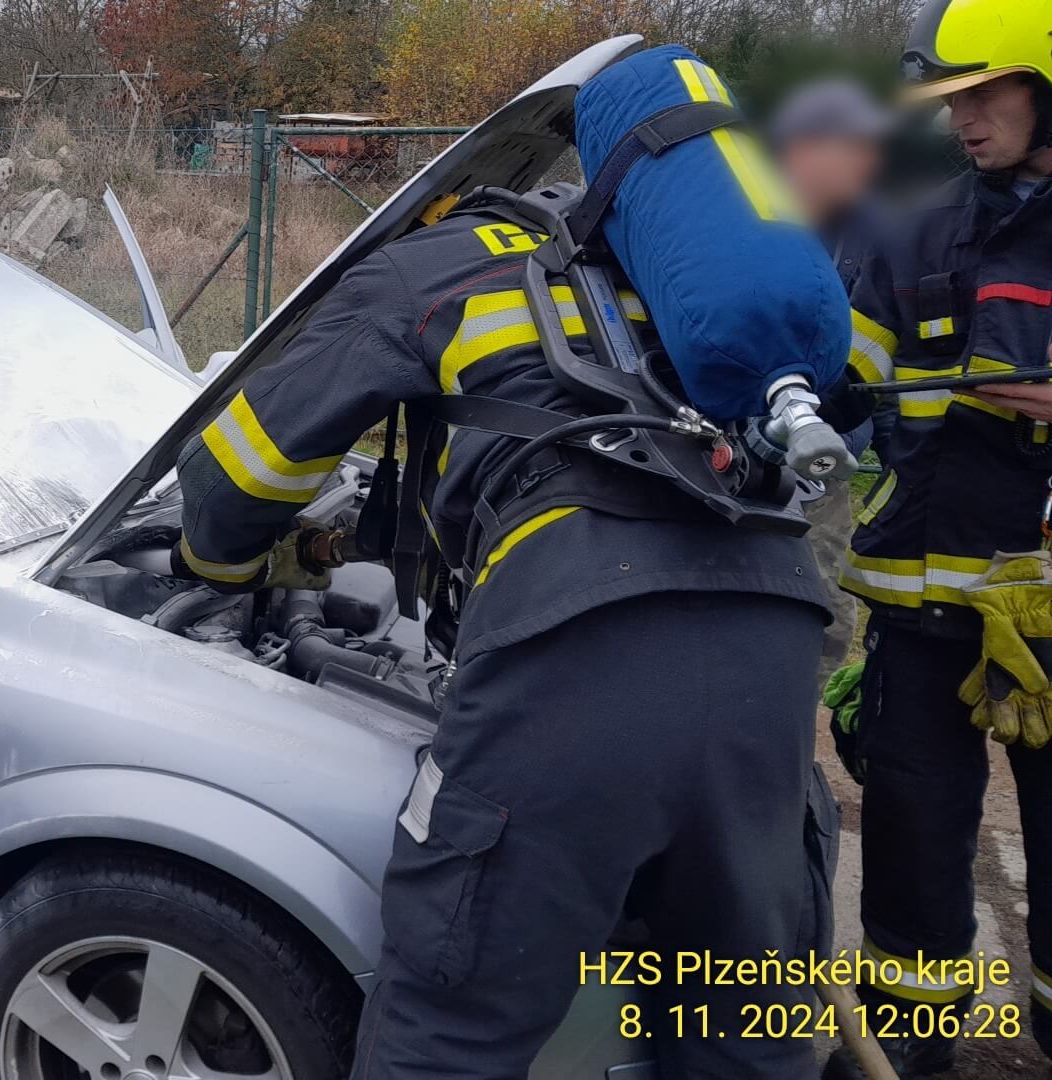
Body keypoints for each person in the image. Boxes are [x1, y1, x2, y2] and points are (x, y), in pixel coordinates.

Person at [169, 57, 840, 1078]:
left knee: (453, 1024)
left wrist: (211, 571)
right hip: (775, 644)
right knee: (739, 1027)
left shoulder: (438, 264)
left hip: (573, 646)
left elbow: (245, 469)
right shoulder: (704, 287)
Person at [826, 0, 1052, 1075]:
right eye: (951, 99)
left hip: (1046, 615)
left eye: (984, 92)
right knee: (911, 846)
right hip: (920, 609)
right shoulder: (912, 230)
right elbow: (836, 382)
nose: (961, 118)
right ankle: (906, 1046)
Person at [770, 79, 895, 685]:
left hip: (828, 467)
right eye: (850, 147)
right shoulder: (748, 228)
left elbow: (885, 361)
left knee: (825, 606)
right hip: (737, 454)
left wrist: (898, 461)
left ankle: (798, 726)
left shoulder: (884, 236)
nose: (867, 162)